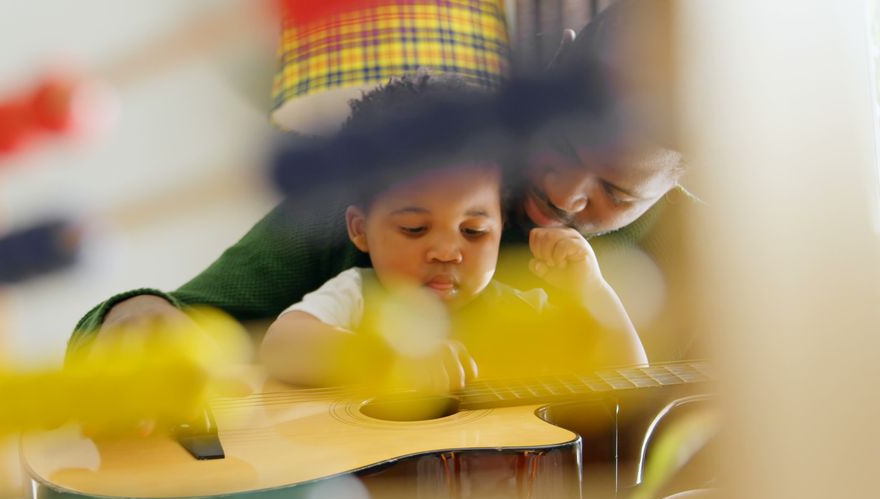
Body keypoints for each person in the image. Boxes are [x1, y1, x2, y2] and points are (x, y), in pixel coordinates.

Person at [67, 3, 693, 362]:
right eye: (558, 145)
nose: (564, 193)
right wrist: (133, 316)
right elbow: (175, 319)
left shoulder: (709, 264)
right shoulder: (413, 174)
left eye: (615, 192)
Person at [258, 153, 647, 390]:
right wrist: (380, 356)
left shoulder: (522, 312)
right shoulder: (359, 294)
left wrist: (592, 290)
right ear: (360, 230)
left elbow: (628, 382)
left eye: (473, 232)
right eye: (414, 229)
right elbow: (281, 346)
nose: (446, 252)